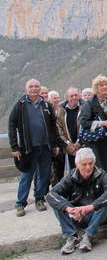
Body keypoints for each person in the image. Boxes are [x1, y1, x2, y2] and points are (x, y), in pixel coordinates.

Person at [46, 148, 107, 254]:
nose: (88, 167)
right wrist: (69, 209)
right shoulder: (70, 176)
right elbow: (51, 195)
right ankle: (71, 237)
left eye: (91, 163)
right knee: (57, 201)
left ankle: (88, 236)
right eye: (84, 164)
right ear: (77, 165)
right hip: (76, 216)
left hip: (94, 215)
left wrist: (90, 207)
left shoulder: (101, 174)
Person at [9, 79, 60, 217]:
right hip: (28, 148)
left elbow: (53, 127)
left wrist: (55, 144)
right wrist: (14, 146)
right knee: (27, 175)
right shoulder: (20, 105)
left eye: (36, 86)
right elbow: (12, 125)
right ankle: (20, 203)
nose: (34, 89)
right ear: (26, 89)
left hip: (46, 147)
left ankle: (40, 199)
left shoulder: (46, 105)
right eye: (31, 87)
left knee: (44, 175)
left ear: (40, 88)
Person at [79, 75, 107, 173]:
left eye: (106, 84)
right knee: (101, 170)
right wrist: (102, 123)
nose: (104, 87)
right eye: (101, 85)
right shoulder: (89, 103)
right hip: (98, 142)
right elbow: (84, 122)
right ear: (96, 88)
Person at [56, 87, 83, 172]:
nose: (74, 98)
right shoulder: (61, 110)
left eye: (76, 95)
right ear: (67, 97)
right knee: (73, 172)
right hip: (69, 148)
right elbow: (59, 128)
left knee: (85, 171)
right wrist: (67, 144)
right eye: (71, 96)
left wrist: (79, 143)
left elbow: (87, 126)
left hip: (83, 145)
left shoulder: (85, 107)